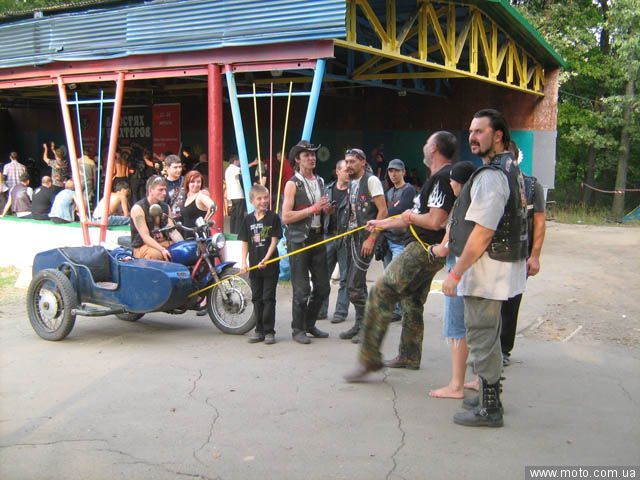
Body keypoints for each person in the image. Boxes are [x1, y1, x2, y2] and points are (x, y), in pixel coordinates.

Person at [343, 131, 456, 381]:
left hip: (422, 248)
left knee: (381, 291)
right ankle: (409, 355)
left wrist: (409, 217)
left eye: (427, 143)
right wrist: (381, 224)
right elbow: (409, 218)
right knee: (412, 301)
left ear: (434, 149)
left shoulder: (441, 178)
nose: (424, 146)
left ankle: (369, 359)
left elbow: (435, 220)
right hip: (428, 249)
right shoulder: (438, 178)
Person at [442, 109, 528, 428]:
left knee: (480, 336)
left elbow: (482, 232)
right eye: (471, 131)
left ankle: (490, 407)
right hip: (501, 268)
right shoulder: (511, 169)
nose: (472, 137)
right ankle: (487, 397)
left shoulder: (492, 176)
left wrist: (455, 273)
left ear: (498, 135)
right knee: (488, 336)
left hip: (487, 272)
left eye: (479, 131)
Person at [427, 161, 478, 399]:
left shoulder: (462, 205)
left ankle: (456, 385)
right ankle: (480, 378)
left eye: (453, 179)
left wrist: (433, 249)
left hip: (460, 269)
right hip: (479, 271)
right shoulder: (479, 203)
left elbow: (447, 245)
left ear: (461, 182)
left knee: (456, 327)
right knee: (478, 326)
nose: (450, 183)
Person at [500, 140, 546, 366]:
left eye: (507, 156)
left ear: (515, 158)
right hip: (490, 255)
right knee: (488, 303)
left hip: (519, 255)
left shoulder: (531, 186)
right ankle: (486, 349)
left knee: (510, 302)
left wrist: (534, 256)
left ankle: (503, 350)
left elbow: (539, 223)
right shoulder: (488, 182)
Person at [281, 140, 331, 344]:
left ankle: (309, 324)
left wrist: (327, 210)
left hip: (317, 237)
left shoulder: (320, 181)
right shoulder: (292, 183)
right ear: (297, 160)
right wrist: (313, 209)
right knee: (301, 290)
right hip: (298, 240)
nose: (312, 158)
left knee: (323, 288)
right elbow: (286, 217)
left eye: (313, 154)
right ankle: (297, 329)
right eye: (307, 155)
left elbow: (322, 210)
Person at [338, 148, 388, 343]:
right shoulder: (351, 182)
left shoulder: (371, 180)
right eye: (347, 161)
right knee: (357, 285)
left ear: (363, 162)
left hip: (365, 239)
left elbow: (383, 212)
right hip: (352, 238)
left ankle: (369, 327)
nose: (348, 165)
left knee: (353, 286)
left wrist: (371, 239)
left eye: (352, 161)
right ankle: (360, 324)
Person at [239, 184, 283, 345]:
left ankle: (269, 331)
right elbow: (245, 242)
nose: (263, 201)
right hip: (254, 266)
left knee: (268, 298)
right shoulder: (247, 219)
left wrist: (266, 259)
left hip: (270, 265)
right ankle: (259, 330)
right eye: (259, 199)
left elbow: (274, 241)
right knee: (257, 298)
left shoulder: (273, 217)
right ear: (252, 201)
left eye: (265, 198)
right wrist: (243, 262)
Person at [381, 158, 416, 323]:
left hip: (401, 240)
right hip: (388, 238)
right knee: (390, 277)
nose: (393, 174)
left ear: (403, 172)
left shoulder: (409, 190)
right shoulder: (388, 192)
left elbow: (401, 209)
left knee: (399, 277)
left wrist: (384, 213)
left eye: (396, 170)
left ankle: (406, 310)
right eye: (390, 171)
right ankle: (396, 310)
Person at [318, 159, 351, 323]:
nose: (349, 173)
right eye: (345, 170)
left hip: (346, 238)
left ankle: (341, 311)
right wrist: (325, 211)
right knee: (323, 275)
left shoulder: (354, 190)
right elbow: (318, 213)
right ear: (337, 171)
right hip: (329, 236)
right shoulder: (327, 190)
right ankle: (321, 310)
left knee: (345, 277)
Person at [130, 175, 183, 261]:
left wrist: (183, 245)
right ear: (150, 190)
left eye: (165, 189)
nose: (164, 193)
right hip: (143, 246)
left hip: (163, 242)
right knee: (156, 255)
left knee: (180, 251)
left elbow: (172, 230)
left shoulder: (166, 207)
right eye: (160, 190)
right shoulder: (138, 208)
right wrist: (162, 250)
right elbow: (145, 237)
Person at [225, 154, 245, 234]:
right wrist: (253, 163)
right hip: (238, 195)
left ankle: (232, 231)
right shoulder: (234, 168)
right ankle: (237, 232)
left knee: (233, 215)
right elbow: (243, 169)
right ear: (235, 161)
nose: (239, 163)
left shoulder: (228, 169)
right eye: (239, 161)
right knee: (239, 215)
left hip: (232, 195)